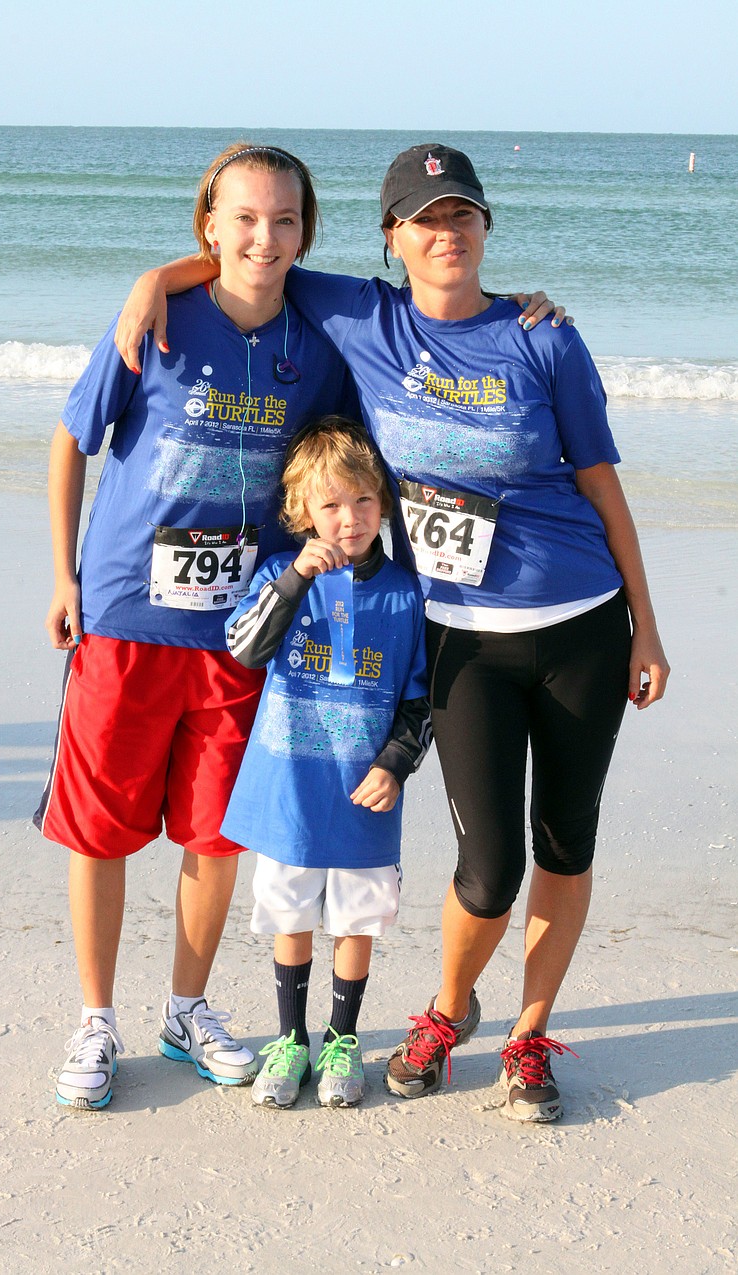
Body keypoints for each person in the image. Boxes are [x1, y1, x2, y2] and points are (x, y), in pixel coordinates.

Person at [114, 142, 669, 1123]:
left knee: (564, 844)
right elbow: (252, 255)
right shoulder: (360, 316)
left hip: (581, 622)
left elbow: (601, 486)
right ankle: (449, 1010)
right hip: (456, 637)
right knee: (487, 865)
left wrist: (646, 627)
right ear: (393, 239)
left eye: (461, 215)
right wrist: (152, 279)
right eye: (424, 218)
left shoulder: (544, 339)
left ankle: (531, 1035)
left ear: (485, 228)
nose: (444, 232)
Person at [34, 142, 363, 1109]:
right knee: (100, 828)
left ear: (306, 233)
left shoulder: (320, 342)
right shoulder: (159, 318)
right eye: (245, 218)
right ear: (208, 227)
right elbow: (71, 439)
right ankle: (97, 1019)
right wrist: (61, 575)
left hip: (240, 632)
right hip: (127, 614)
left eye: (285, 220)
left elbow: (338, 468)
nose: (264, 237)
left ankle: (187, 1007)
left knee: (213, 835)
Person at [222, 416, 430, 1109]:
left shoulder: (404, 591)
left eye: (364, 501)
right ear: (302, 512)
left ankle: (342, 1036)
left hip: (364, 788)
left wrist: (396, 762)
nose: (350, 519)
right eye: (331, 505)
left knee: (357, 917)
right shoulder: (285, 571)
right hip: (294, 789)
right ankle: (291, 1037)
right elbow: (244, 649)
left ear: (384, 504)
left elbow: (422, 696)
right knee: (290, 911)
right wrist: (294, 582)